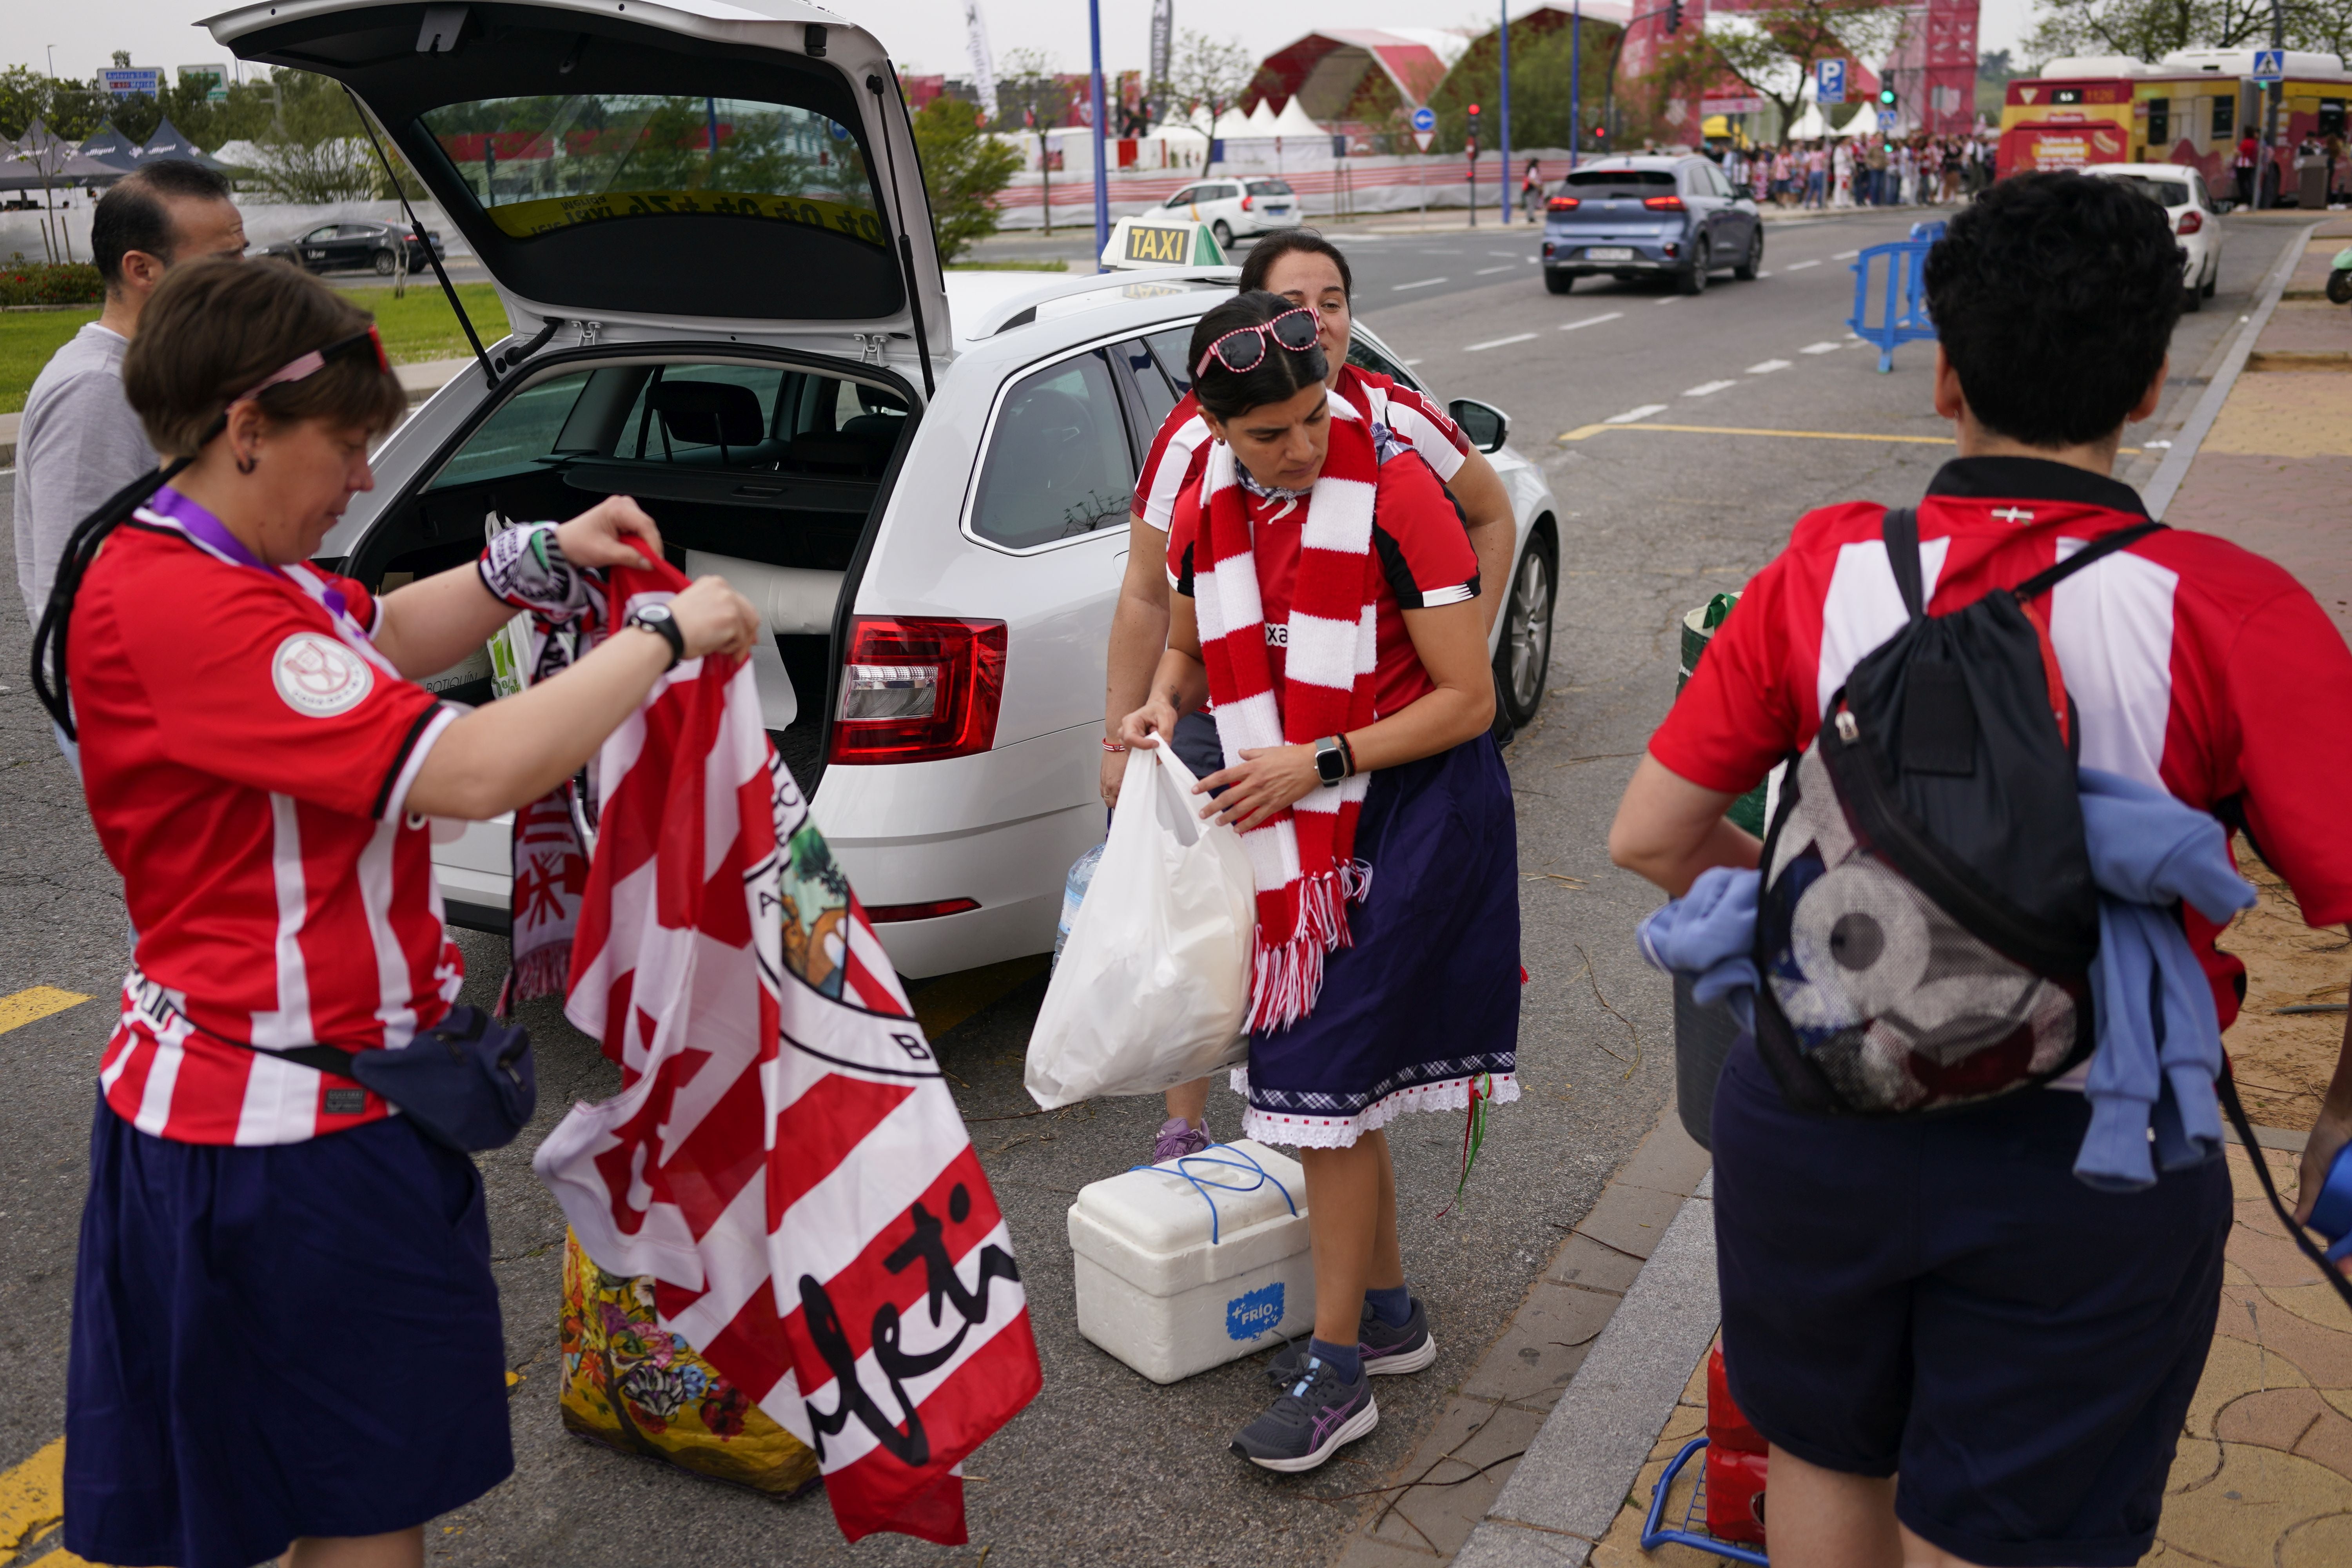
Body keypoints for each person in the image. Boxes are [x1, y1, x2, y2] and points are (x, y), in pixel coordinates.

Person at [1607, 172, 2352, 1568]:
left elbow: (1646, 835)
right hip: (2094, 1160)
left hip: (1819, 1115)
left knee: (1827, 1454)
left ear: (1943, 375)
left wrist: (1834, 915)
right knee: (2013, 1523)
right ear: (2149, 379)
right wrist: (2335, 1121)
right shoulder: (2229, 607)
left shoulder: (1822, 571)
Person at [51, 257, 760, 1568]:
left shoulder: (198, 551)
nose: (370, 479)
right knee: (361, 1507)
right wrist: (659, 639)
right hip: (284, 1139)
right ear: (245, 430)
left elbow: (375, 630)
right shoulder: (197, 608)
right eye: (352, 446)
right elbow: (479, 770)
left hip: (269, 1104)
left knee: (278, 1488)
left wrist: (539, 558)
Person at [1120, 290, 1519, 1473]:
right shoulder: (1202, 500)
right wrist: (1155, 701)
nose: (1300, 446)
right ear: (1212, 426)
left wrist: (1319, 759)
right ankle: (1385, 1315)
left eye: (1311, 418)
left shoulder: (1399, 490)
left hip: (1407, 821)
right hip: (1293, 831)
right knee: (1335, 1098)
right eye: (1268, 435)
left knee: (1321, 1093)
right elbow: (1187, 646)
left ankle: (1339, 1373)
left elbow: (1469, 699)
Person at [1103, 229, 1516, 1163]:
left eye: (1333, 300)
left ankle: (1366, 1287)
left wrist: (1446, 648)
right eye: (1297, 303)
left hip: (1360, 769)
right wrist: (1134, 725)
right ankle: (1192, 1117)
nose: (1319, 319)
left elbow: (1484, 524)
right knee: (1221, 946)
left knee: (1329, 1066)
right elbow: (1168, 619)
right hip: (1242, 732)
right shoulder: (1196, 465)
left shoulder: (1396, 439)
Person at [16, 159, 247, 771]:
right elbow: (83, 597)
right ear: (142, 270)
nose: (244, 279)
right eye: (223, 265)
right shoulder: (96, 392)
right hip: (142, 713)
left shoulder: (157, 373)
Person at [2234, 129, 2259, 208]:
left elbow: (2239, 153)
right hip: (2251, 164)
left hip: (2243, 164)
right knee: (2249, 183)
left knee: (2242, 184)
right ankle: (2251, 201)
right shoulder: (2255, 143)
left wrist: (2236, 151)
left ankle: (2244, 201)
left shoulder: (2245, 142)